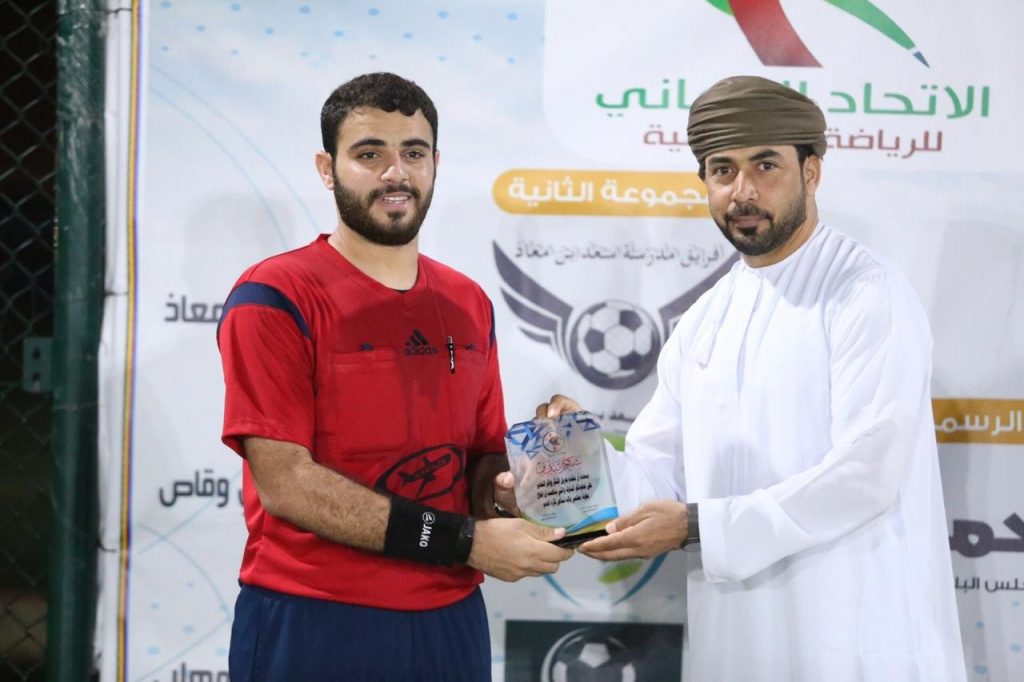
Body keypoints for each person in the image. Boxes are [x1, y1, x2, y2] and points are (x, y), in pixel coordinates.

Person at [529, 75, 966, 681]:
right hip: (738, 646)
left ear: (811, 171)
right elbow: (656, 474)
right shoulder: (705, 319)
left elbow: (867, 473)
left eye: (765, 165)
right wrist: (577, 464)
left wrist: (698, 526)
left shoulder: (868, 294)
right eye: (723, 170)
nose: (743, 191)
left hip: (857, 639)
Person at [217, 72, 573, 682]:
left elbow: (481, 460)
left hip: (450, 620)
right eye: (369, 154)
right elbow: (287, 484)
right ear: (327, 169)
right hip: (315, 618)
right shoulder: (274, 296)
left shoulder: (468, 301)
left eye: (413, 153)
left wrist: (518, 484)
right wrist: (466, 542)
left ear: (435, 163)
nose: (395, 173)